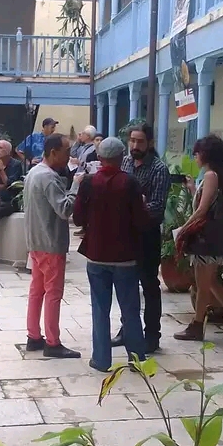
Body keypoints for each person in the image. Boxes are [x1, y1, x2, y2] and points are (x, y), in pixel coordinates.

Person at [73, 137, 149, 372]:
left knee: (100, 308)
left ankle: (102, 359)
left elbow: (77, 217)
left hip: (96, 255)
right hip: (125, 256)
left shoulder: (88, 182)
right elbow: (141, 221)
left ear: (100, 157)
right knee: (130, 310)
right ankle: (137, 360)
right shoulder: (130, 183)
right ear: (121, 157)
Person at [174, 134, 223, 340]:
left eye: (197, 153)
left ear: (205, 154)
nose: (195, 157)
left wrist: (184, 228)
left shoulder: (211, 176)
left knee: (202, 284)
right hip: (213, 237)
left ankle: (197, 325)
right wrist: (193, 189)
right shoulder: (216, 175)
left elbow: (203, 209)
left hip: (205, 239)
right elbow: (209, 202)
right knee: (210, 280)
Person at [23, 133, 83, 359]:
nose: (70, 155)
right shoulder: (49, 177)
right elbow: (65, 209)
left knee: (37, 291)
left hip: (36, 242)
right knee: (53, 293)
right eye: (67, 150)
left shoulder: (34, 172)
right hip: (50, 243)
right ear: (54, 152)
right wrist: (76, 185)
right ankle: (52, 341)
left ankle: (33, 336)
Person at [115, 123, 170, 353]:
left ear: (150, 143)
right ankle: (126, 330)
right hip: (126, 235)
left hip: (147, 236)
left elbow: (156, 207)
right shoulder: (126, 162)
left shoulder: (158, 169)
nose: (135, 145)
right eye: (132, 141)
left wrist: (134, 205)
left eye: (139, 141)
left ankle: (152, 335)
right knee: (126, 286)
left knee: (149, 285)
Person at [0, 139, 24, 265]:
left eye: (1, 148)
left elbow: (11, 186)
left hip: (10, 202)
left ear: (8, 152)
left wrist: (2, 171)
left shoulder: (16, 165)